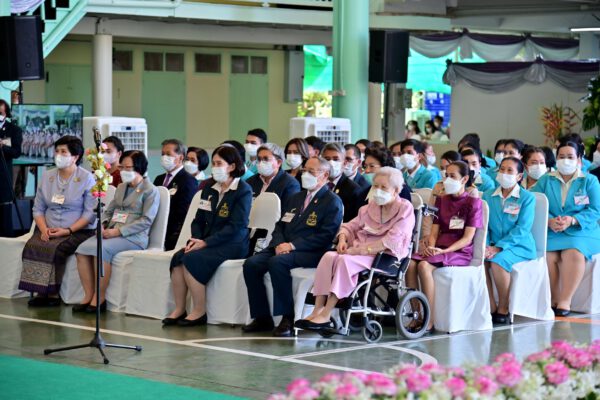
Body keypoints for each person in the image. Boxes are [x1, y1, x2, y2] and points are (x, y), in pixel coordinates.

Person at [295, 167, 415, 331]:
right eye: (376, 186)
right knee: (328, 256)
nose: (378, 191)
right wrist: (342, 239)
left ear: (396, 191)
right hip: (358, 253)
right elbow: (349, 226)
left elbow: (392, 240)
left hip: (385, 256)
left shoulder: (405, 209)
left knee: (344, 261)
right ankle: (317, 311)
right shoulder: (368, 208)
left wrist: (359, 250)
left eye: (384, 187)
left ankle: (326, 314)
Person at [242, 157, 343, 337]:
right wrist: (280, 244)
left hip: (312, 252)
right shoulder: (296, 198)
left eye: (311, 171)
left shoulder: (332, 201)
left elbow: (325, 236)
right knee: (251, 264)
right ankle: (262, 317)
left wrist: (292, 246)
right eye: (304, 170)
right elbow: (280, 225)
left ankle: (287, 318)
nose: (305, 175)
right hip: (283, 246)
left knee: (277, 262)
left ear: (325, 175)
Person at [164, 146, 252, 326]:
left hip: (232, 243)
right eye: (214, 163)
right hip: (207, 241)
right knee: (178, 257)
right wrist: (196, 239)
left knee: (192, 259)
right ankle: (180, 308)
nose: (215, 167)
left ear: (232, 166)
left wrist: (205, 243)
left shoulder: (243, 190)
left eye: (219, 163)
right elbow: (198, 220)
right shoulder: (210, 189)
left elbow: (236, 226)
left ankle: (199, 311)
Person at [74, 150, 160, 313]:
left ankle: (99, 298)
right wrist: (102, 224)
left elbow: (146, 220)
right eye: (122, 167)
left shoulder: (150, 190)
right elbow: (109, 210)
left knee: (101, 249)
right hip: (111, 232)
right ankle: (88, 294)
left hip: (133, 237)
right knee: (82, 249)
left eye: (128, 168)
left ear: (139, 168)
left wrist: (119, 232)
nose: (123, 171)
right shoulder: (121, 187)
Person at [18, 136, 96, 306]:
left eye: (63, 152)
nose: (58, 155)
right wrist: (43, 229)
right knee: (33, 245)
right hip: (48, 227)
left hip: (78, 230)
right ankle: (39, 291)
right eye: (57, 151)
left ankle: (52, 294)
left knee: (57, 248)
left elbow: (89, 214)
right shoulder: (48, 176)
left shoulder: (86, 178)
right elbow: (38, 209)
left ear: (75, 157)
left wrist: (68, 230)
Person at [407, 161, 484, 331]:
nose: (447, 180)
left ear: (464, 179)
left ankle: (429, 319)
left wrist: (444, 250)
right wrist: (431, 247)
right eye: (446, 176)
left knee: (424, 266)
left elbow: (468, 238)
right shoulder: (441, 200)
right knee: (410, 264)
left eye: (452, 176)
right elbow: (434, 231)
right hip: (439, 247)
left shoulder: (474, 203)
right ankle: (416, 314)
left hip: (459, 250)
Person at [532, 141, 600, 317]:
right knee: (548, 256)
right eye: (561, 157)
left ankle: (565, 300)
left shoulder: (589, 181)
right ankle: (553, 298)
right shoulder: (546, 180)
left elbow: (595, 210)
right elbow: (534, 204)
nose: (566, 160)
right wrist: (548, 221)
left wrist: (573, 220)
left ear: (579, 159)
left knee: (573, 253)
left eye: (570, 157)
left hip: (582, 231)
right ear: (556, 159)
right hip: (553, 230)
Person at [482, 157, 537, 324]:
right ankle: (490, 304)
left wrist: (498, 248)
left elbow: (522, 229)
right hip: (493, 244)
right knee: (479, 260)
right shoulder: (488, 195)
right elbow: (484, 225)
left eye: (509, 170)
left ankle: (504, 305)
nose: (504, 173)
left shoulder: (527, 198)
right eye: (502, 169)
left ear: (519, 176)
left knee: (498, 262)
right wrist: (486, 246)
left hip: (519, 245)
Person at [153, 139, 197, 251]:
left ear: (181, 157)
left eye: (168, 154)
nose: (164, 157)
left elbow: (183, 211)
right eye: (163, 154)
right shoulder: (159, 179)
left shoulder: (188, 180)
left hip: (173, 232)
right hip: (155, 227)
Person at [246, 143, 300, 208]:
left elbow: (289, 210)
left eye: (266, 159)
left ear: (279, 162)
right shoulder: (250, 181)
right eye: (259, 159)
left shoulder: (290, 184)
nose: (261, 163)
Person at [0, 99, 23, 237]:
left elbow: (16, 152)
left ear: (6, 114)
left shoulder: (14, 130)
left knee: (5, 217)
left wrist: (3, 146)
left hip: (3, 177)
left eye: (0, 113)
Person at [321, 143, 361, 222]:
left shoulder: (353, 190)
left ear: (344, 163)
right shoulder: (315, 184)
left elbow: (351, 221)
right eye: (327, 159)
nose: (331, 163)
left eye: (336, 159)